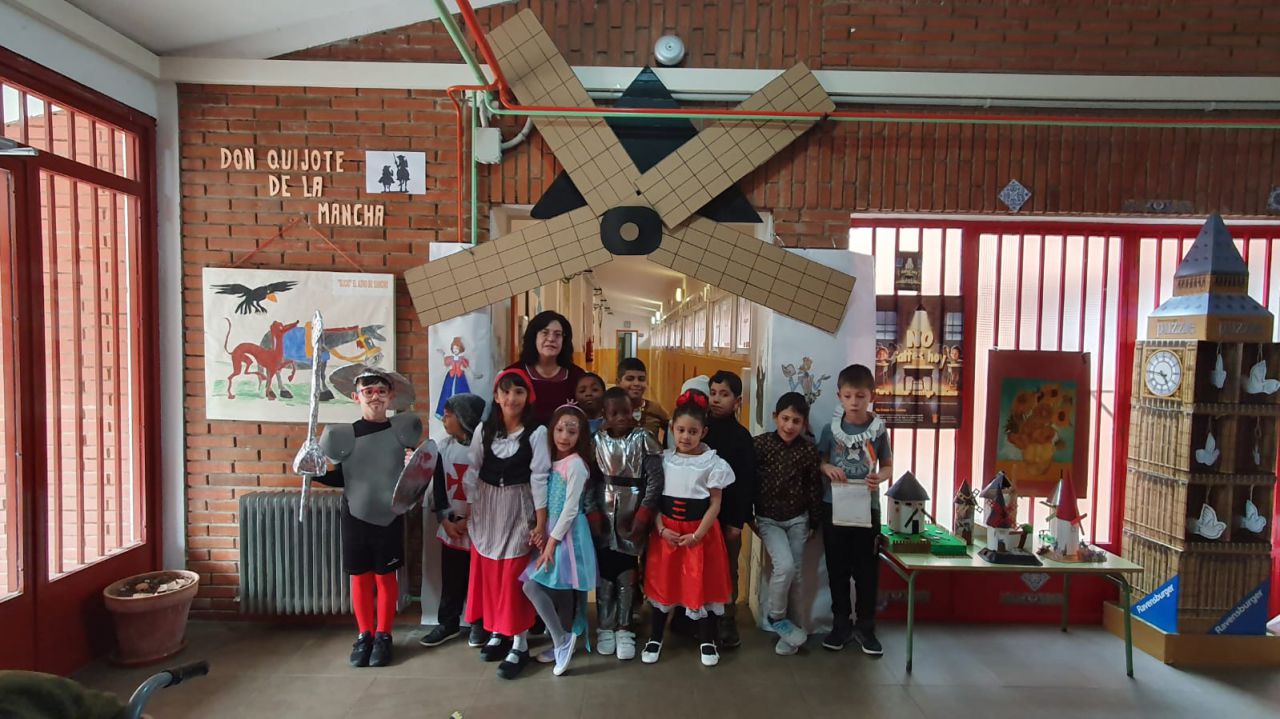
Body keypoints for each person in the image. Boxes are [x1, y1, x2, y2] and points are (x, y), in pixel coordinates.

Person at [316, 369, 422, 668]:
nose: (375, 396)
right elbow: (342, 479)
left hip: (389, 516)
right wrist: (313, 471)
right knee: (359, 577)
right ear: (356, 396)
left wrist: (412, 465)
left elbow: (415, 477)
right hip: (356, 515)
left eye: (380, 390)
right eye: (368, 391)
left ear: (390, 396)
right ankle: (365, 634)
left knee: (385, 578)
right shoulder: (341, 436)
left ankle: (384, 635)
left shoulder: (404, 431)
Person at [463, 368, 550, 679]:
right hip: (487, 507)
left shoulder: (536, 433)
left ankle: (520, 643)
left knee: (513, 574)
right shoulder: (485, 430)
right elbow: (473, 470)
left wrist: (540, 523)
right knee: (489, 570)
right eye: (507, 391)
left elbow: (540, 477)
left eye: (519, 392)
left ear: (527, 398)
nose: (512, 398)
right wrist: (470, 510)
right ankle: (498, 631)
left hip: (518, 507)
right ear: (497, 396)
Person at [642, 390, 735, 668]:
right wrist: (660, 529)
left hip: (700, 535)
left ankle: (707, 639)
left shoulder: (713, 464)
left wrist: (698, 534)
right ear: (672, 429)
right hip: (668, 534)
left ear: (703, 432)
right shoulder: (663, 460)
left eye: (692, 431)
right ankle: (655, 636)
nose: (686, 436)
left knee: (702, 584)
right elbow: (654, 499)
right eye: (681, 430)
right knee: (665, 582)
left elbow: (715, 504)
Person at [817, 364, 892, 656]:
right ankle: (840, 625)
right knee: (837, 568)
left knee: (866, 570)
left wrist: (880, 478)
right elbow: (820, 461)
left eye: (860, 396)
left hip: (866, 508)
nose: (854, 402)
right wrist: (828, 468)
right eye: (848, 396)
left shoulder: (878, 430)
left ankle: (866, 626)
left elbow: (886, 466)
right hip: (834, 506)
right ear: (839, 396)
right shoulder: (829, 429)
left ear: (870, 396)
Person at [522, 404, 600, 676]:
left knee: (533, 587)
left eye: (572, 430)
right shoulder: (553, 462)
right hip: (554, 530)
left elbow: (570, 508)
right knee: (561, 590)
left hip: (569, 535)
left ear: (581, 436)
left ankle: (561, 638)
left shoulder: (576, 464)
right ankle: (563, 640)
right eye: (559, 429)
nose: (564, 436)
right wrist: (540, 528)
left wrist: (552, 542)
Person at [592, 387, 664, 661]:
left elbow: (655, 479)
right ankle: (605, 626)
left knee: (627, 570)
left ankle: (625, 627)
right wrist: (592, 512)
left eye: (627, 411)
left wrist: (645, 511)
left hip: (632, 508)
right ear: (604, 416)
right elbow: (591, 478)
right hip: (604, 505)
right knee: (605, 571)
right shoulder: (597, 440)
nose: (622, 417)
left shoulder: (644, 438)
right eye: (615, 413)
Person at [752, 392, 823, 655]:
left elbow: (814, 487)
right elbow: (747, 481)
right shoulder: (759, 445)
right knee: (784, 567)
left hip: (798, 520)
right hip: (769, 520)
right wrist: (749, 517)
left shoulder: (807, 450)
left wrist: (814, 520)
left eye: (796, 420)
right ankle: (776, 618)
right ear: (775, 417)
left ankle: (792, 634)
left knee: (797, 576)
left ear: (804, 424)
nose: (789, 426)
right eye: (785, 418)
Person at [419, 393, 487, 649]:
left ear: (466, 418)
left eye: (450, 414)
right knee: (452, 577)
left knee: (478, 579)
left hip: (478, 528)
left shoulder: (484, 449)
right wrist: (445, 519)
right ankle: (448, 622)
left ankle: (479, 622)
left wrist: (470, 522)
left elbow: (484, 490)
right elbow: (438, 489)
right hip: (451, 525)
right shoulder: (442, 448)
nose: (444, 418)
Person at [703, 370, 758, 649]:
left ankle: (726, 619)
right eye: (713, 393)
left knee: (726, 569)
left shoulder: (741, 437)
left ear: (738, 401)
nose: (716, 399)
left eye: (724, 395)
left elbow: (745, 483)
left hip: (727, 518)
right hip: (698, 518)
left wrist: (738, 522)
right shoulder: (700, 429)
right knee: (698, 566)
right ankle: (698, 619)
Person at [506, 311, 585, 425]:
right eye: (545, 333)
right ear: (534, 337)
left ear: (564, 340)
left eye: (557, 334)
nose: (551, 339)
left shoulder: (577, 376)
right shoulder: (513, 374)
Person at [616, 357, 669, 444]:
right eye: (630, 379)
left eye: (641, 379)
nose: (636, 383)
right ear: (618, 382)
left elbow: (673, 428)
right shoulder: (611, 410)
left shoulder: (655, 409)